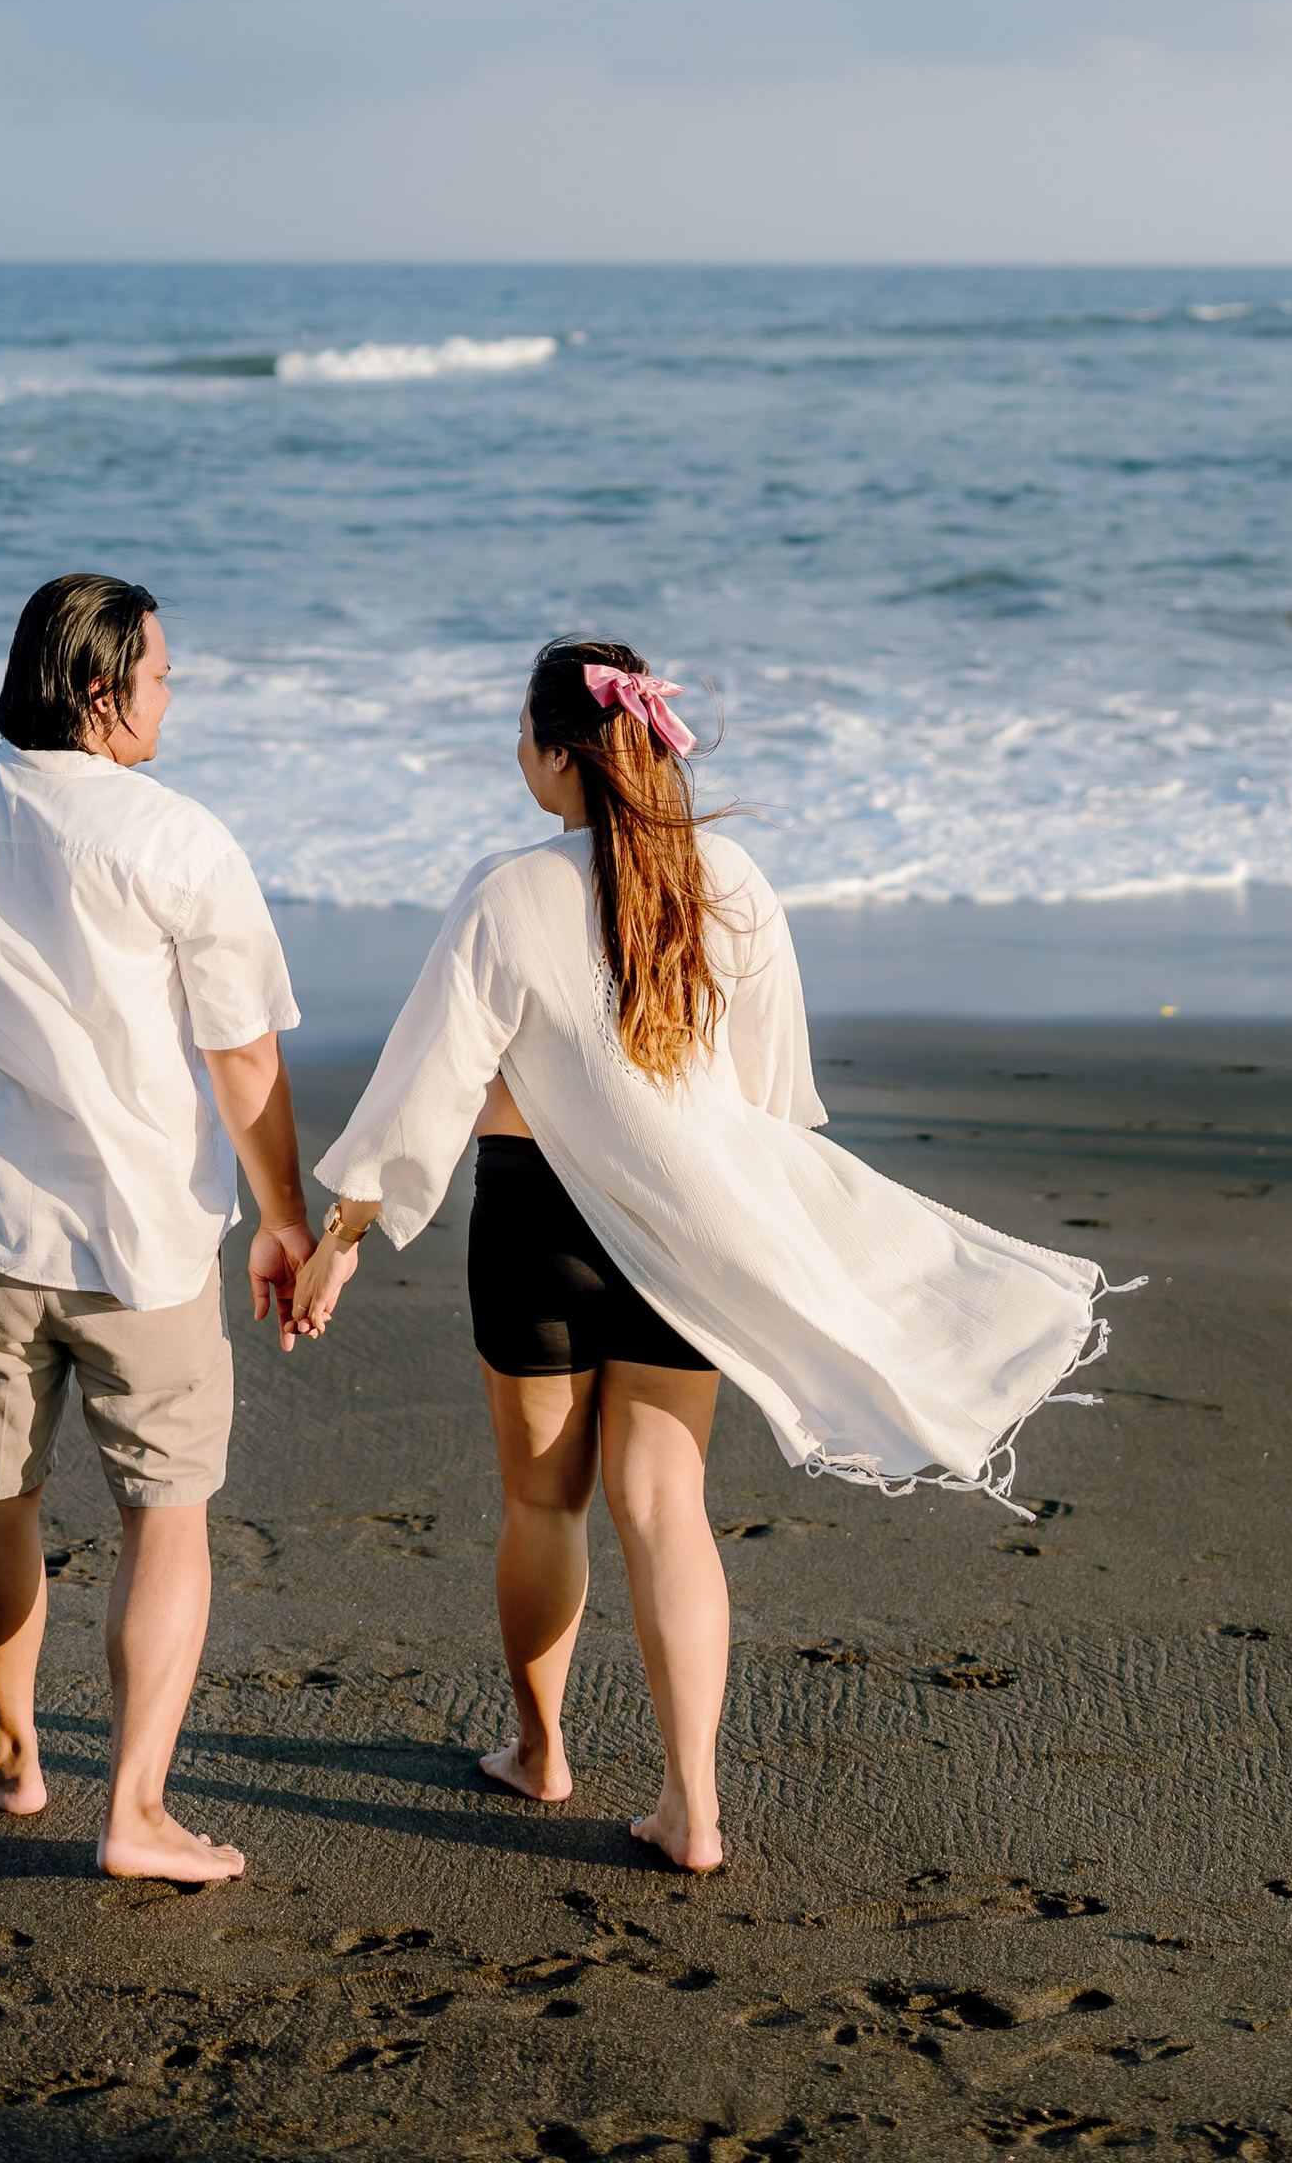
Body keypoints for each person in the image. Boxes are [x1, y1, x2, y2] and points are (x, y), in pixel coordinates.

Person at [289, 637, 1122, 1873]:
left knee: (542, 1500)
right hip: (689, 1230)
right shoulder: (727, 876)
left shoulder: (505, 892)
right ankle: (693, 1807)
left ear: (557, 754)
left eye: (522, 736)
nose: (517, 755)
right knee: (663, 1504)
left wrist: (343, 1236)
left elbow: (427, 1087)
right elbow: (768, 1090)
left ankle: (540, 1752)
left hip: (534, 1225)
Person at [0, 571, 318, 1885]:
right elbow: (242, 1056)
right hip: (148, 1243)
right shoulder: (181, 842)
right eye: (161, 675)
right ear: (104, 693)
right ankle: (137, 1809)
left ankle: (9, 1759)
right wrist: (283, 1218)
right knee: (165, 1516)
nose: (173, 694)